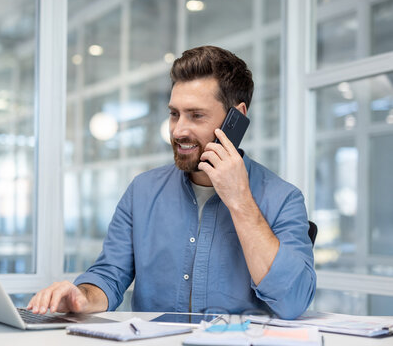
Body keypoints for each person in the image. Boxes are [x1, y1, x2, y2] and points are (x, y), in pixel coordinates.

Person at [27, 45, 316, 320]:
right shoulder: (142, 191)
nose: (178, 130)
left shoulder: (283, 199)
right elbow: (109, 275)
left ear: (235, 119)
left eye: (196, 115)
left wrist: (239, 200)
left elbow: (293, 301)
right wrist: (81, 296)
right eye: (174, 114)